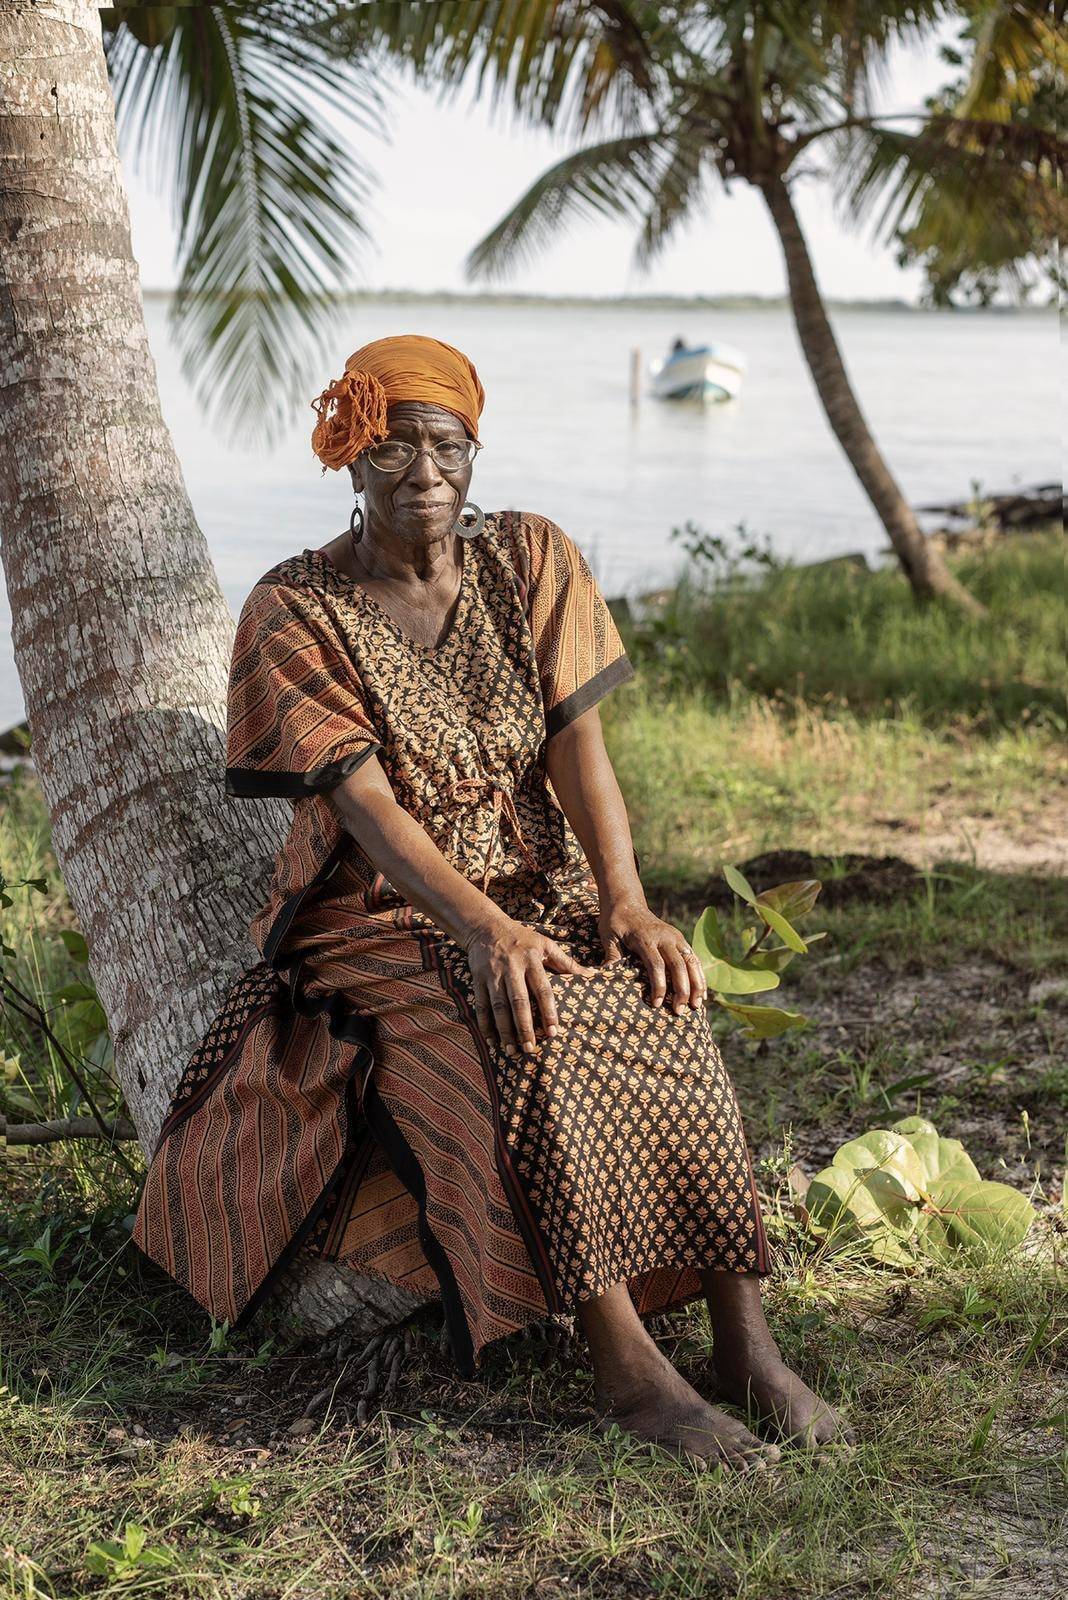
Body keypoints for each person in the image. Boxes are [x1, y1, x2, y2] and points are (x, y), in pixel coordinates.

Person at [132, 333, 851, 1470]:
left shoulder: (532, 558)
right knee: (517, 1021)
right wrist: (485, 929)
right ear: (347, 453)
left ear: (474, 450)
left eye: (445, 443)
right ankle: (623, 1360)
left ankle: (742, 1339)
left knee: (661, 997)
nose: (423, 470)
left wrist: (628, 903)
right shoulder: (295, 608)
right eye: (393, 446)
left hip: (544, 880)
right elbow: (367, 811)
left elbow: (580, 755)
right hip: (379, 911)